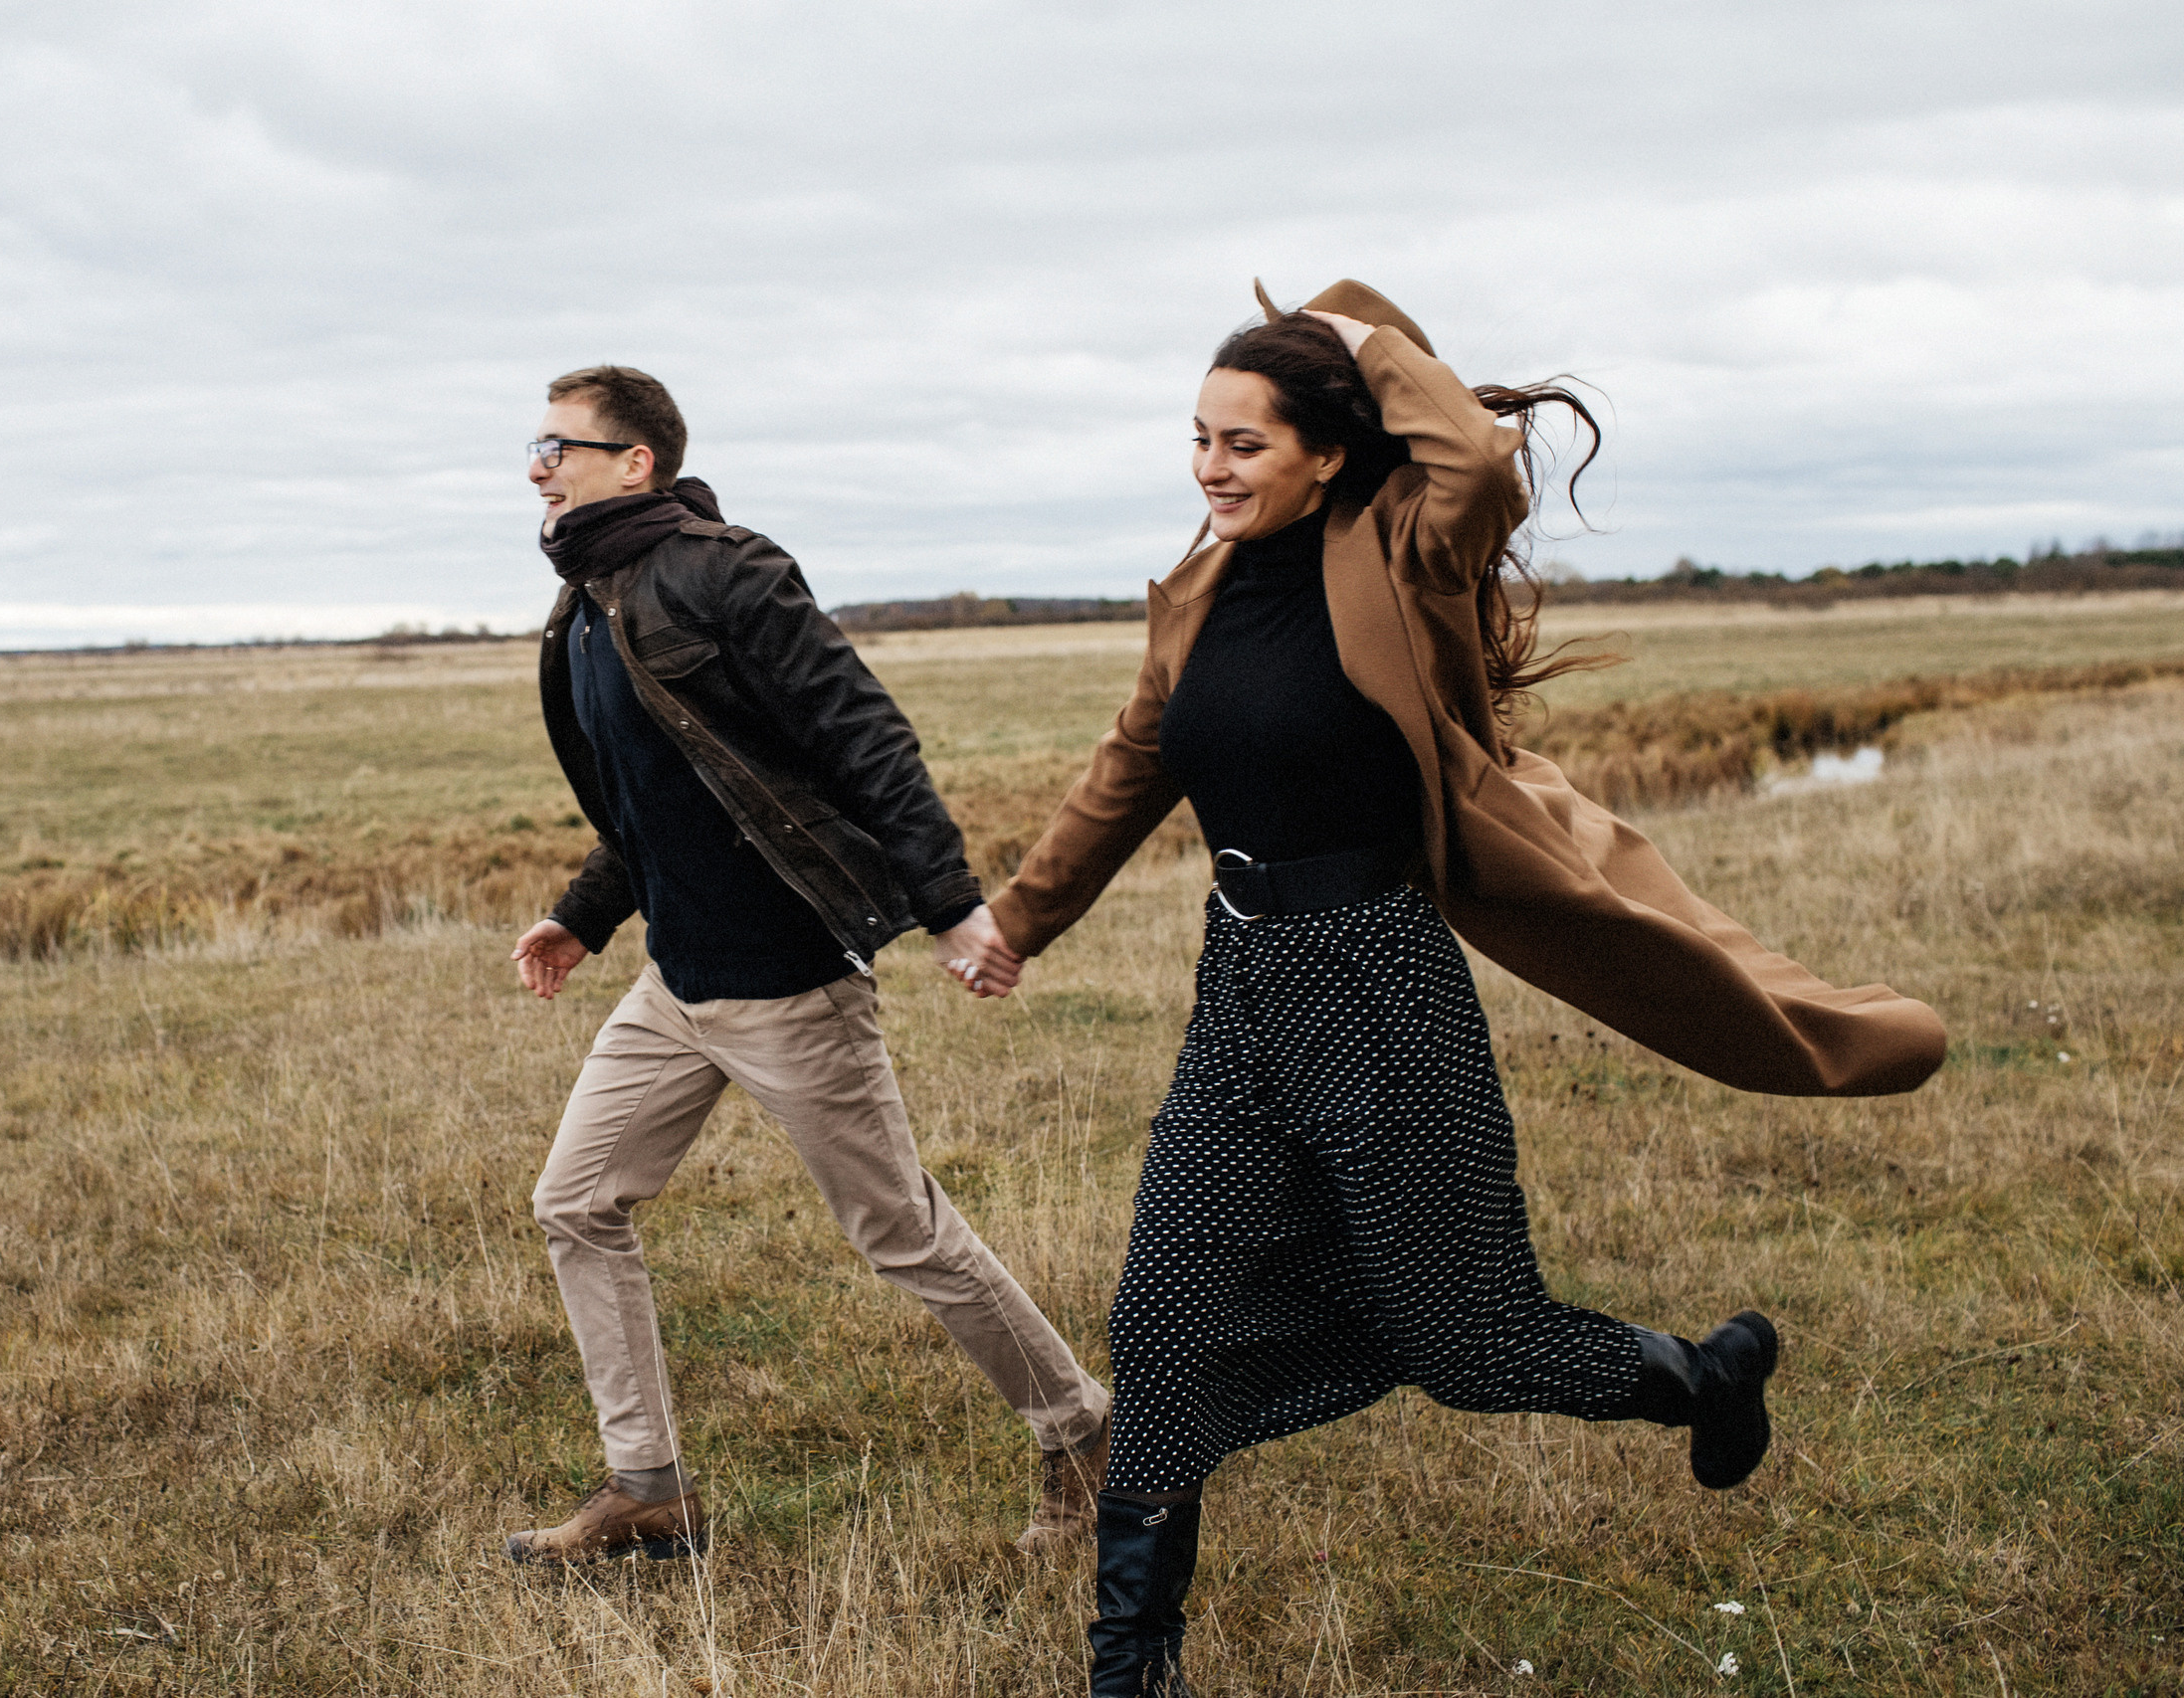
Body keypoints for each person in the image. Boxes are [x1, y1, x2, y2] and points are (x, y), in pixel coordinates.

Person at [984, 283, 1948, 1694]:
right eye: (1198, 438)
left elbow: (1480, 462)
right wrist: (1020, 916)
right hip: (1242, 982)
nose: (1209, 467)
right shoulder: (1196, 590)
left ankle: (1700, 1377)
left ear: (1327, 449)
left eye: (1244, 442)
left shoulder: (1405, 553)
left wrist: (1365, 336)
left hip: (1376, 982)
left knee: (1470, 1338)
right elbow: (1134, 764)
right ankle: (1132, 1663)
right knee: (1166, 1316)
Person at [503, 363, 1110, 1565]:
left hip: (787, 981)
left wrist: (948, 904)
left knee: (902, 1233)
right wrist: (585, 914)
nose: (535, 466)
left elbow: (861, 733)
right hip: (676, 984)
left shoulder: (727, 571)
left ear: (636, 463)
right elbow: (661, 798)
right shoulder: (585, 610)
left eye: (555, 445)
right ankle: (651, 1492)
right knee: (575, 1203)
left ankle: (1081, 1428)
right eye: (533, 447)